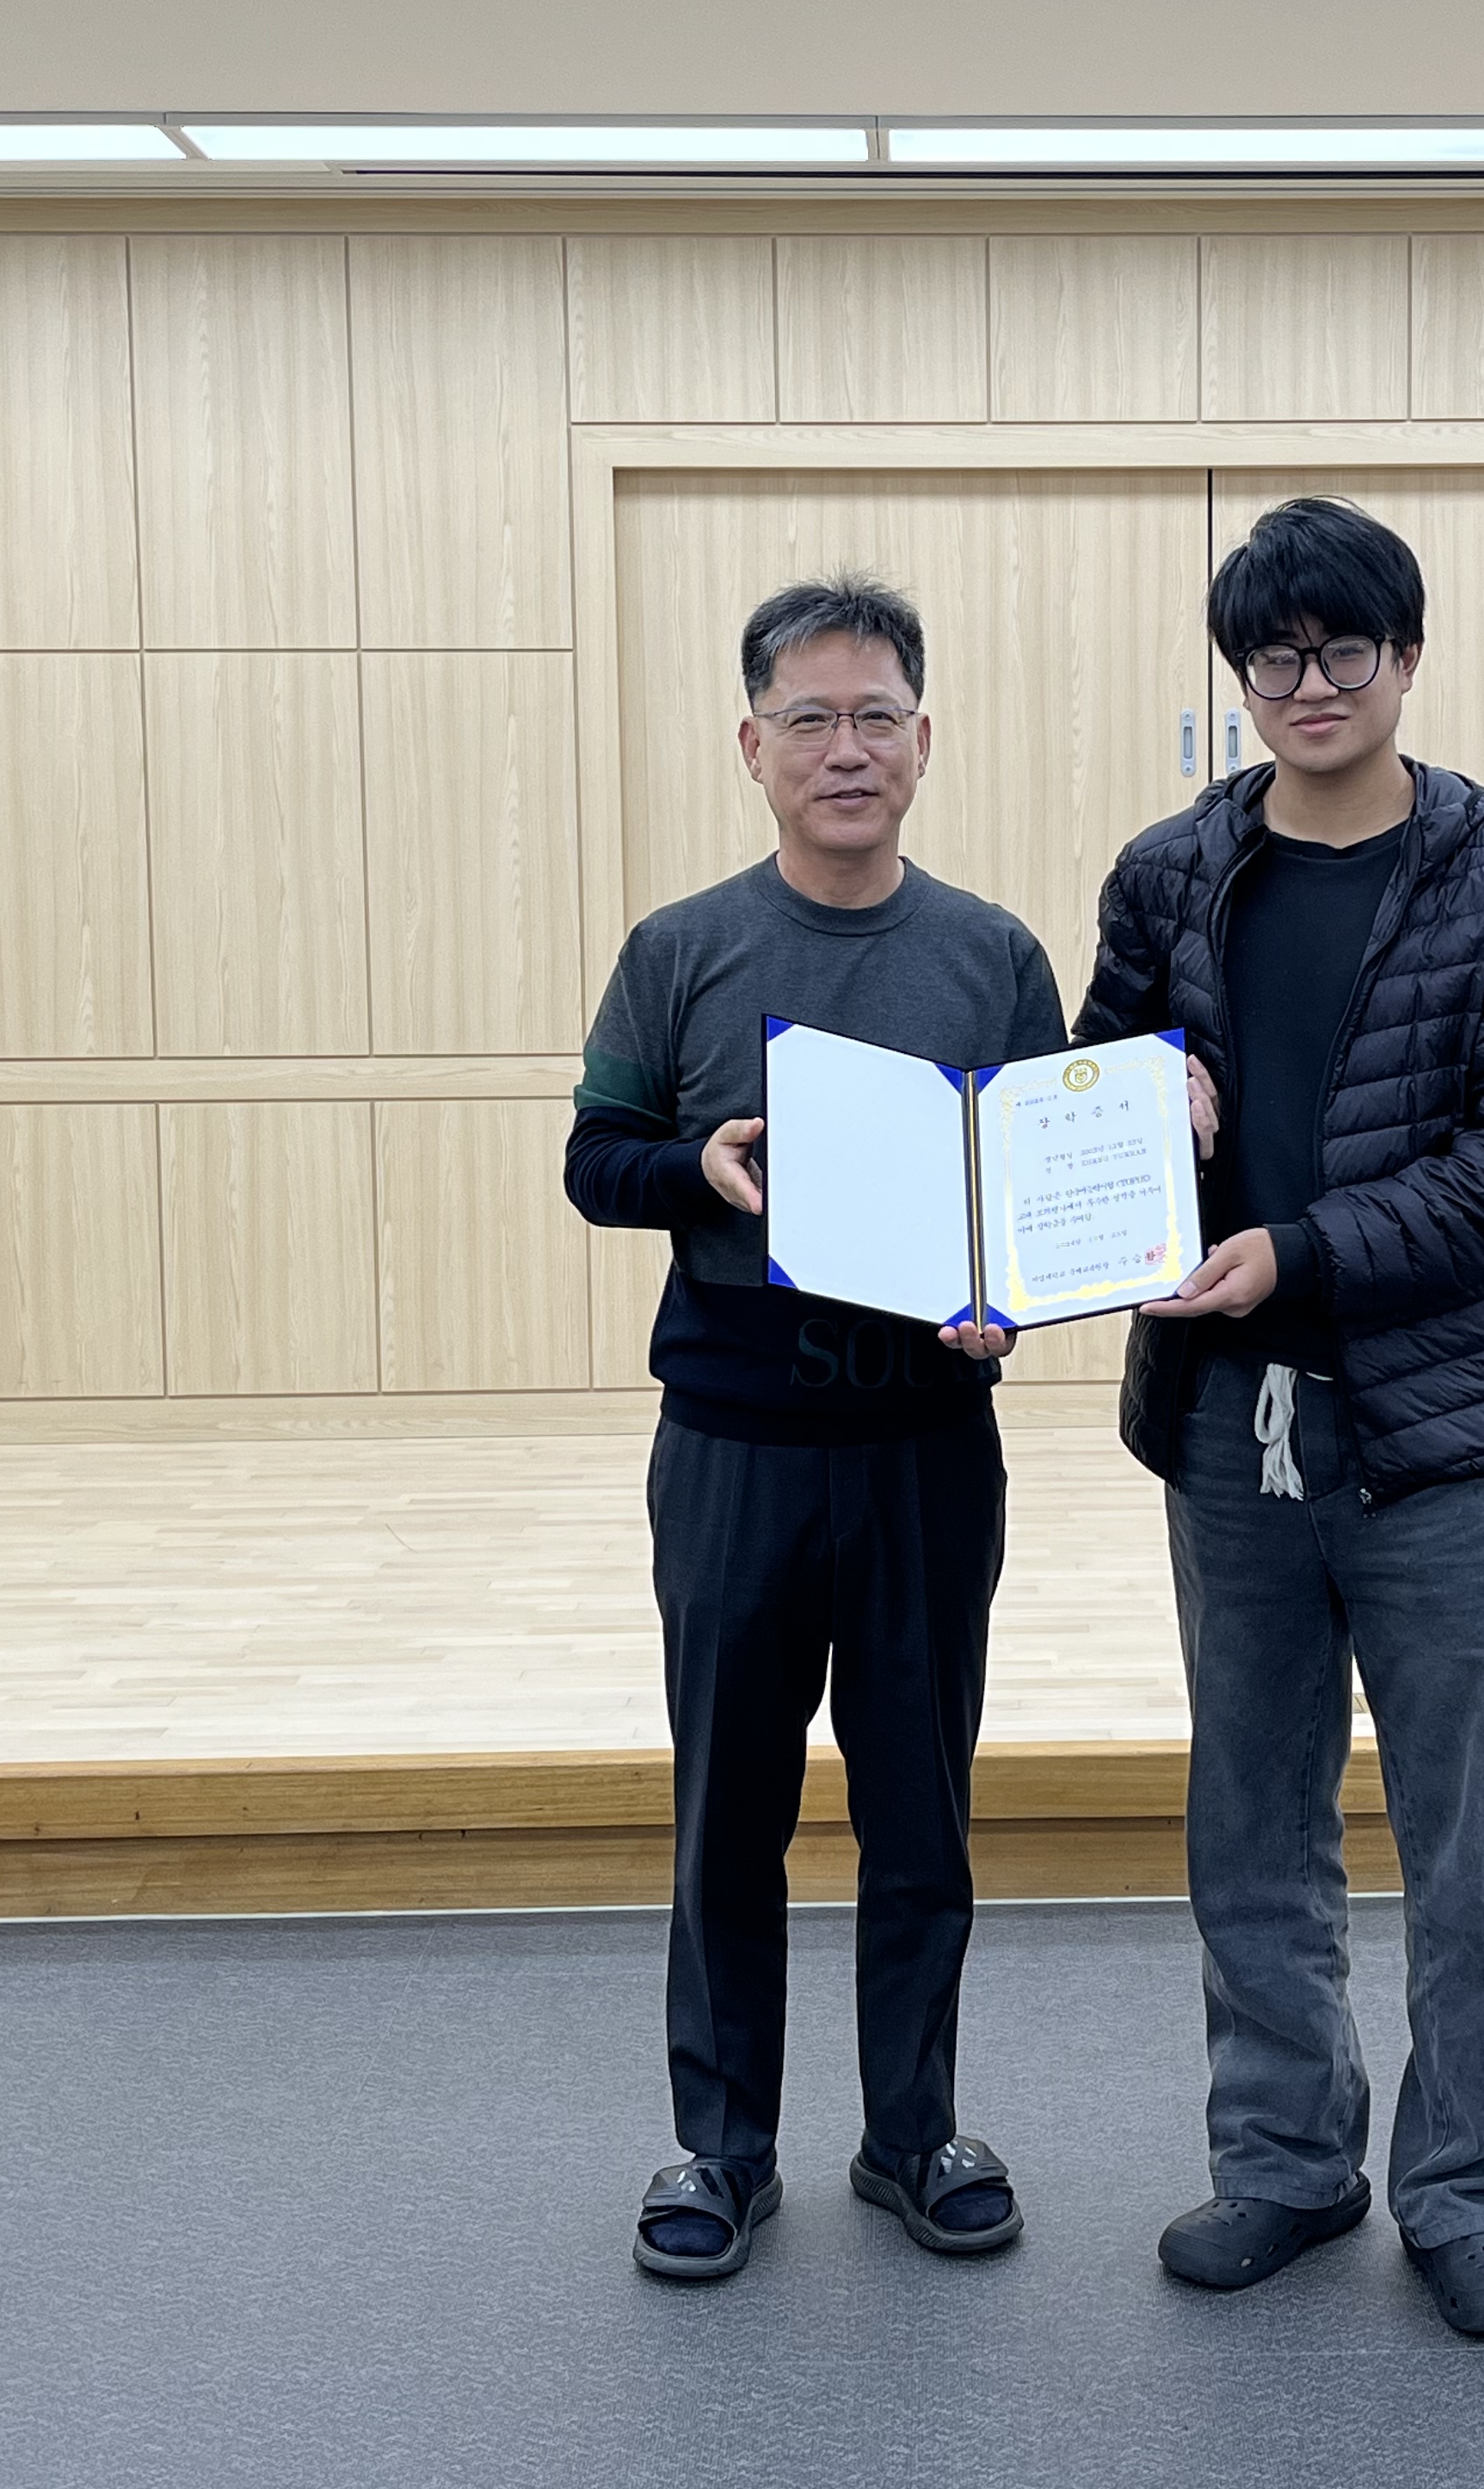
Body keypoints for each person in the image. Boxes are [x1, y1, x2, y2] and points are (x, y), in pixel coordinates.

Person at [1074, 498, 1484, 2339]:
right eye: (1273, 659)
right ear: (1242, 678)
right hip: (1225, 1431)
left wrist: (1294, 1254)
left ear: (1407, 656)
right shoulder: (1170, 873)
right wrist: (1143, 1098)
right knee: (1250, 1830)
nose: (1309, 686)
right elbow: (1091, 1104)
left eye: (1343, 651)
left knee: (1464, 1851)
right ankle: (1287, 2164)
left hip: (1432, 1436)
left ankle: (1468, 2194)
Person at [564, 574, 1066, 2283]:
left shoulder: (993, 955)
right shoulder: (681, 949)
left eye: (875, 718)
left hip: (927, 1449)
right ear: (752, 745)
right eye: (810, 720)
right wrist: (693, 1166)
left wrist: (1015, 1297)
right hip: (735, 1450)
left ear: (924, 742)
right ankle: (722, 2147)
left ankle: (913, 2134)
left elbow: (1034, 1200)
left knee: (922, 1810)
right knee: (730, 1812)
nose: (845, 750)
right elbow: (594, 1159)